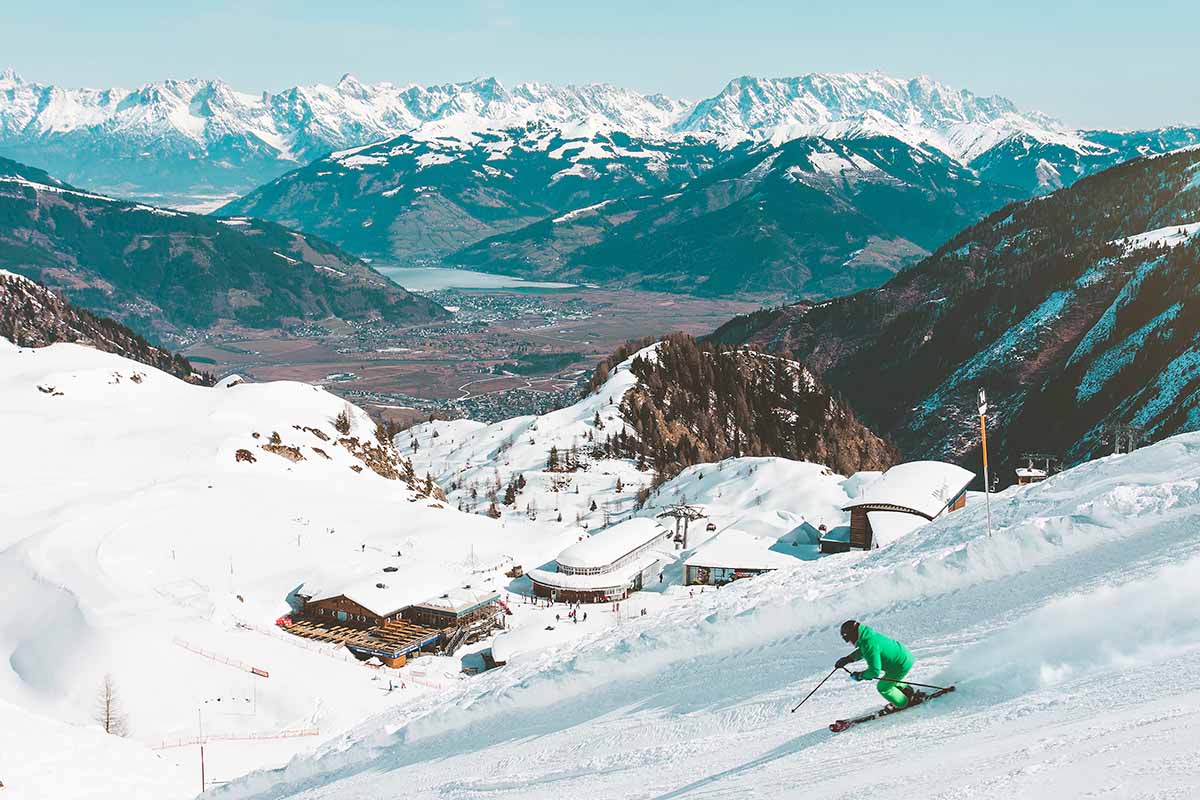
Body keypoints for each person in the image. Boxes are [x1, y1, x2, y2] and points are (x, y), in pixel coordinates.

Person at [834, 619, 917, 710]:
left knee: (883, 687)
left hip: (900, 665)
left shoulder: (869, 644)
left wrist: (860, 676)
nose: (850, 642)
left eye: (849, 640)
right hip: (903, 656)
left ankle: (903, 702)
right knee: (889, 680)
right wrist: (848, 659)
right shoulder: (867, 636)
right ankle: (907, 691)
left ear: (853, 635)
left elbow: (874, 671)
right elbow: (864, 650)